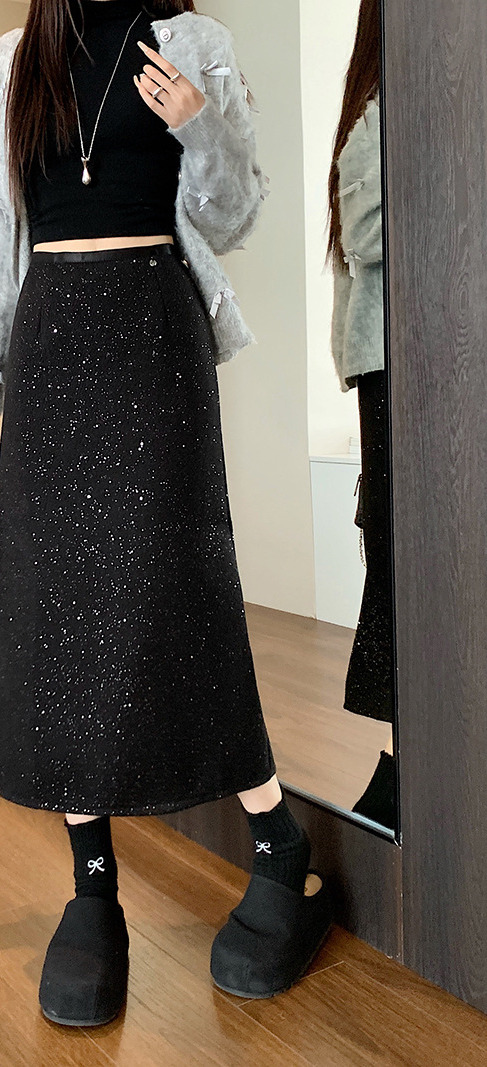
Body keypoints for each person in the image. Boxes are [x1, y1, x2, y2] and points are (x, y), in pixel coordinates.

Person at [0, 0, 332, 1025]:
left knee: (183, 588)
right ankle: (92, 883)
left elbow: (232, 215)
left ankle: (280, 843)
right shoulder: (13, 62)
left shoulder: (191, 43)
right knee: (60, 610)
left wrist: (204, 126)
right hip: (51, 339)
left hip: (155, 329)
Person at [328, 0, 397, 830]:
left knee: (402, 557)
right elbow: (368, 236)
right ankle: (403, 762)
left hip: (406, 364)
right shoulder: (377, 109)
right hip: (390, 366)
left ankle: (406, 764)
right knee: (394, 557)